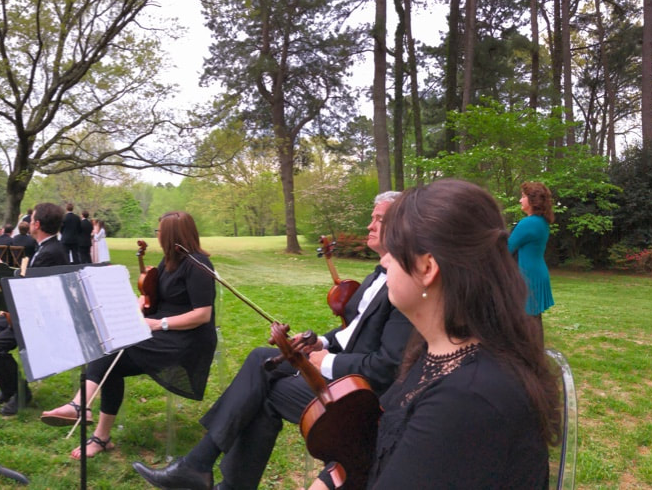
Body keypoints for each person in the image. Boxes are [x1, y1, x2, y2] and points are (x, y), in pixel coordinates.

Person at [132, 192, 414, 489]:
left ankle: (201, 468)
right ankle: (200, 468)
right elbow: (351, 332)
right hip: (345, 378)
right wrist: (319, 342)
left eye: (378, 220)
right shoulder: (376, 276)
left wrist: (325, 361)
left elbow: (387, 367)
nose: (369, 226)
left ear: (401, 227)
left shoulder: (403, 287)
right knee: (260, 361)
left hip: (363, 399)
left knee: (263, 392)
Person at [308, 179, 556, 488]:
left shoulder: (467, 398)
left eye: (393, 253)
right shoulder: (437, 350)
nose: (384, 261)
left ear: (427, 268)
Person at [39, 211, 218, 459]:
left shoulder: (198, 265)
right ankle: (98, 433)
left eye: (160, 232)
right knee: (111, 355)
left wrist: (158, 324)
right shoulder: (169, 262)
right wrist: (141, 304)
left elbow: (202, 314)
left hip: (186, 339)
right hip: (161, 328)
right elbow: (158, 301)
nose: (157, 236)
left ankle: (81, 407)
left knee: (116, 346)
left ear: (173, 236)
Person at [0, 202, 74, 415]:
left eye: (31, 219)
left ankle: (21, 394)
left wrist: (11, 306)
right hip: (29, 313)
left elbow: (36, 291)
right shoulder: (46, 247)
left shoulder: (51, 251)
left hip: (41, 320)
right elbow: (28, 279)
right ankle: (8, 389)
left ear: (36, 224)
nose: (27, 222)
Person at [511, 181, 555, 321]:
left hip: (527, 276)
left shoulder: (528, 223)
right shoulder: (542, 221)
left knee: (525, 325)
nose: (520, 200)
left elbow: (506, 249)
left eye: (523, 196)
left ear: (532, 199)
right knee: (534, 322)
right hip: (537, 273)